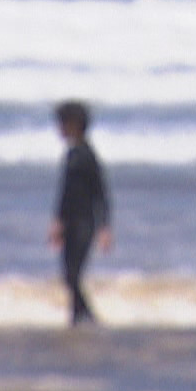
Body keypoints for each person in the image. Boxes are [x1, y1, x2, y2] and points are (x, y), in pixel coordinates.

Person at [48, 100, 112, 326]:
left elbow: (101, 193)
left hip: (84, 223)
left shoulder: (86, 155)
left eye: (62, 124)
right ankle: (76, 319)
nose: (59, 129)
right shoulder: (72, 154)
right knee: (69, 275)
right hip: (71, 223)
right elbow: (65, 195)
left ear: (74, 124)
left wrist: (104, 227)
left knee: (72, 275)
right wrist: (58, 221)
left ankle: (88, 317)